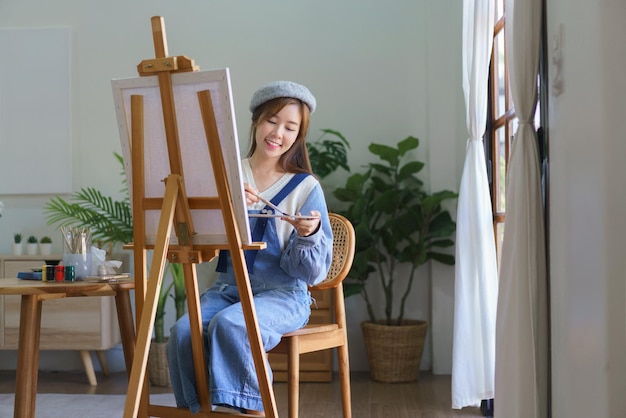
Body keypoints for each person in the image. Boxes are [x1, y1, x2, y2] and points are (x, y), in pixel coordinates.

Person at [167, 80, 333, 414]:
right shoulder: (227, 176)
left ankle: (254, 411)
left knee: (232, 324)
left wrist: (308, 234)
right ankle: (198, 411)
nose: (278, 134)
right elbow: (201, 240)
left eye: (290, 127)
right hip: (228, 291)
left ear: (298, 135)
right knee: (183, 332)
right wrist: (225, 208)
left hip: (284, 295)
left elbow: (313, 273)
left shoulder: (305, 186)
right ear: (257, 120)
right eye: (273, 121)